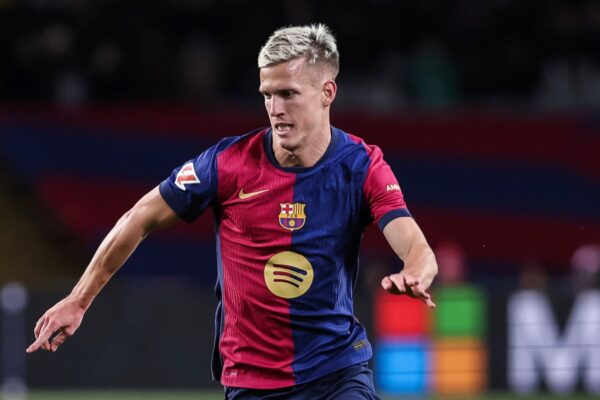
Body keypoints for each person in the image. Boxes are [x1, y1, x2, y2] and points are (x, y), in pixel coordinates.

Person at [26, 24, 438, 399]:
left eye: (289, 93)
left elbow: (413, 242)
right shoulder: (225, 163)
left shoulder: (362, 166)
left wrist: (416, 271)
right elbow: (139, 218)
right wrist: (79, 300)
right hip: (251, 381)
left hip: (336, 373)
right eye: (267, 95)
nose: (275, 108)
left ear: (327, 93)